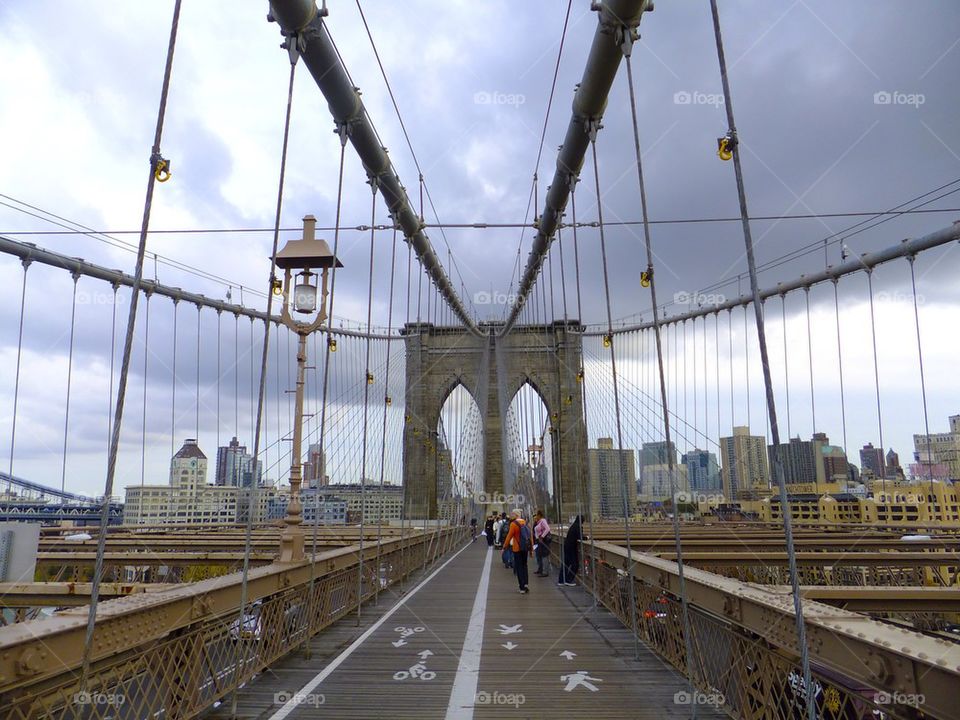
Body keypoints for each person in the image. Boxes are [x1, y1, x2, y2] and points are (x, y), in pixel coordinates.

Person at [502, 508, 532, 593]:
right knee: (524, 565)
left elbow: (509, 536)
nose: (511, 515)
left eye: (512, 514)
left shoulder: (513, 524)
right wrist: (531, 549)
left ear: (516, 515)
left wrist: (504, 547)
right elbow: (530, 537)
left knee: (519, 567)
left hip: (517, 548)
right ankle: (526, 584)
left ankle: (521, 587)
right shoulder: (526, 523)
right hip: (525, 548)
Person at [557, 514, 582, 587]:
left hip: (567, 547)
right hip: (571, 548)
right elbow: (579, 536)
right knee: (575, 564)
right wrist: (586, 537)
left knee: (566, 564)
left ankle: (561, 580)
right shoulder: (577, 527)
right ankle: (568, 580)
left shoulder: (573, 526)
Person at [532, 510, 552, 577]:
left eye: (536, 515)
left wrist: (542, 536)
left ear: (539, 515)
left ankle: (545, 571)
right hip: (538, 541)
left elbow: (547, 529)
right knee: (539, 555)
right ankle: (540, 569)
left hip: (543, 541)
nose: (535, 517)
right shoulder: (538, 522)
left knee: (544, 556)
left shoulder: (543, 521)